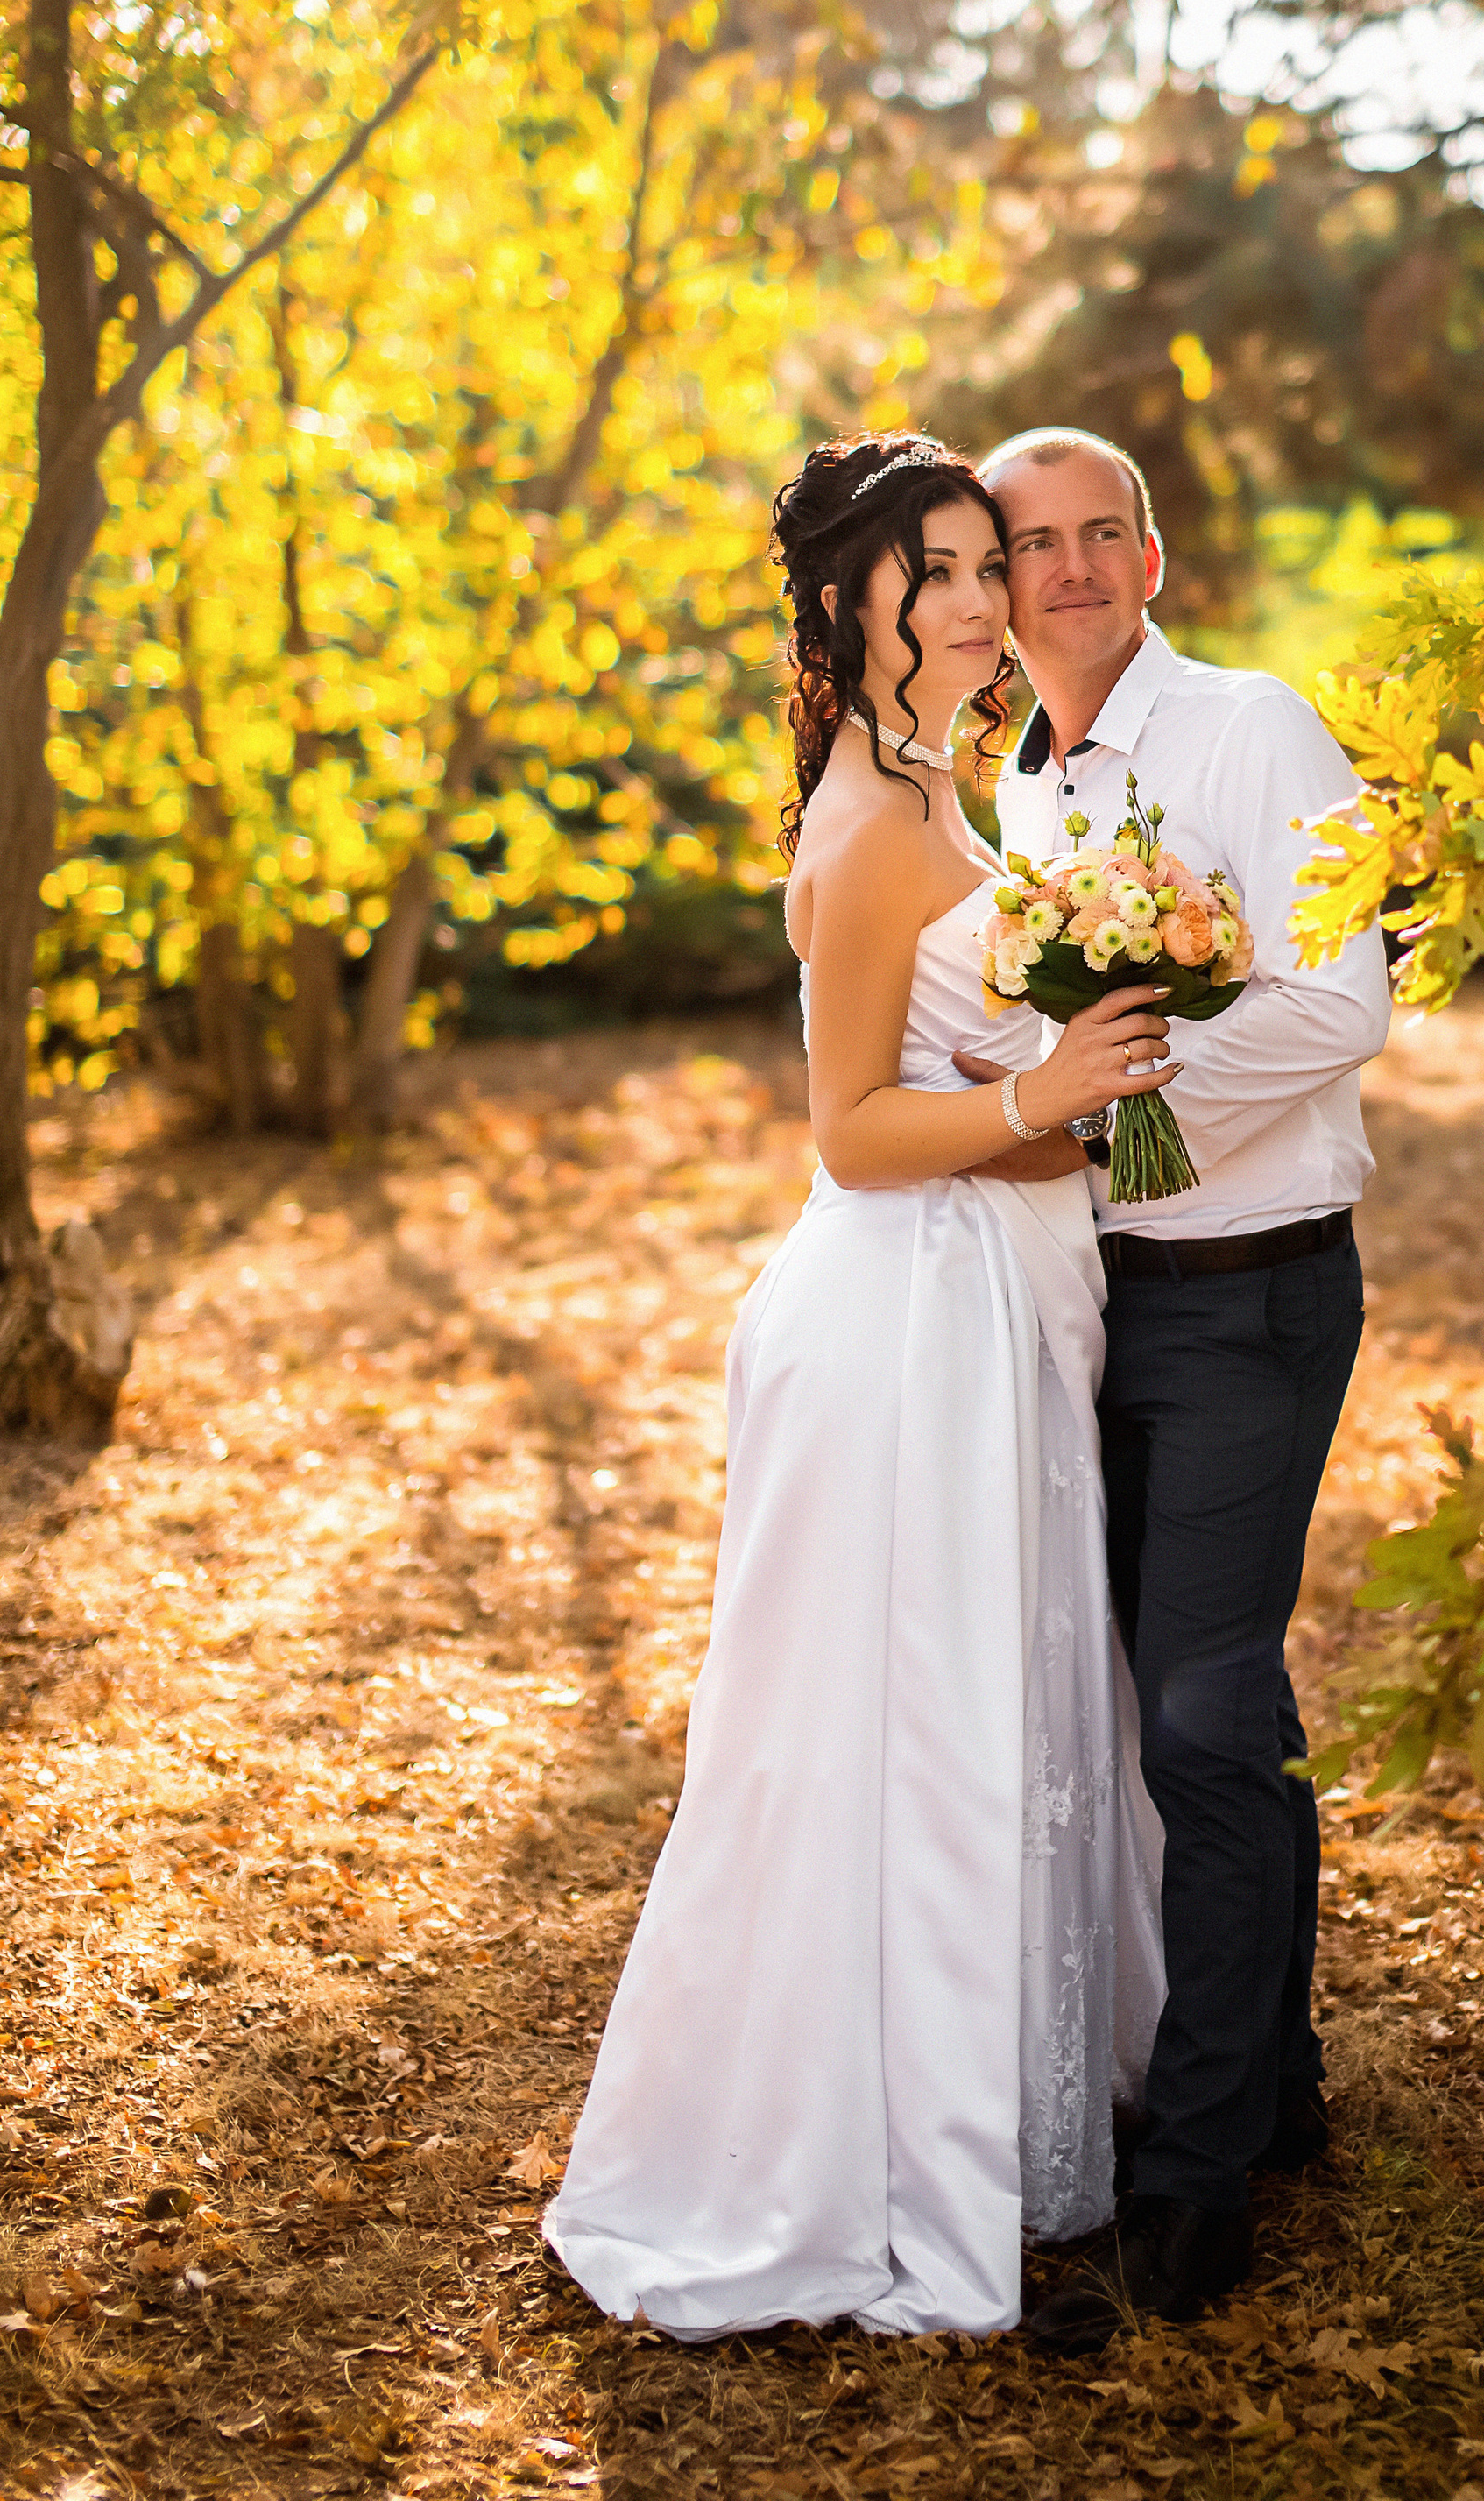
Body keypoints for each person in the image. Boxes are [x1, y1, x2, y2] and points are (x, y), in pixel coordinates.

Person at [544, 434, 1167, 2340]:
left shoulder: (932, 781)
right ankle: (855, 2159)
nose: (981, 600)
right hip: (897, 1325)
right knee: (897, 1749)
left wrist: (1065, 1120)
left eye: (990, 566)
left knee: (986, 1726)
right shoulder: (874, 825)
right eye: (939, 573)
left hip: (980, 1301)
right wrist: (1039, 1099)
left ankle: (996, 2119)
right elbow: (846, 1132)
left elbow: (956, 1092)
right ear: (847, 604)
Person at [979, 425, 1391, 2356]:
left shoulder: (1251, 726)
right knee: (1179, 1707)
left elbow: (1342, 996)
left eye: (1094, 536)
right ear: (994, 581)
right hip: (1083, 1319)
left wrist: (1124, 1120)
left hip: (1244, 1304)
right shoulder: (1009, 784)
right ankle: (1279, 2077)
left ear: (1152, 555)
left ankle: (1196, 2165)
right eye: (1025, 543)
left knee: (1204, 1723)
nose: (1062, 570)